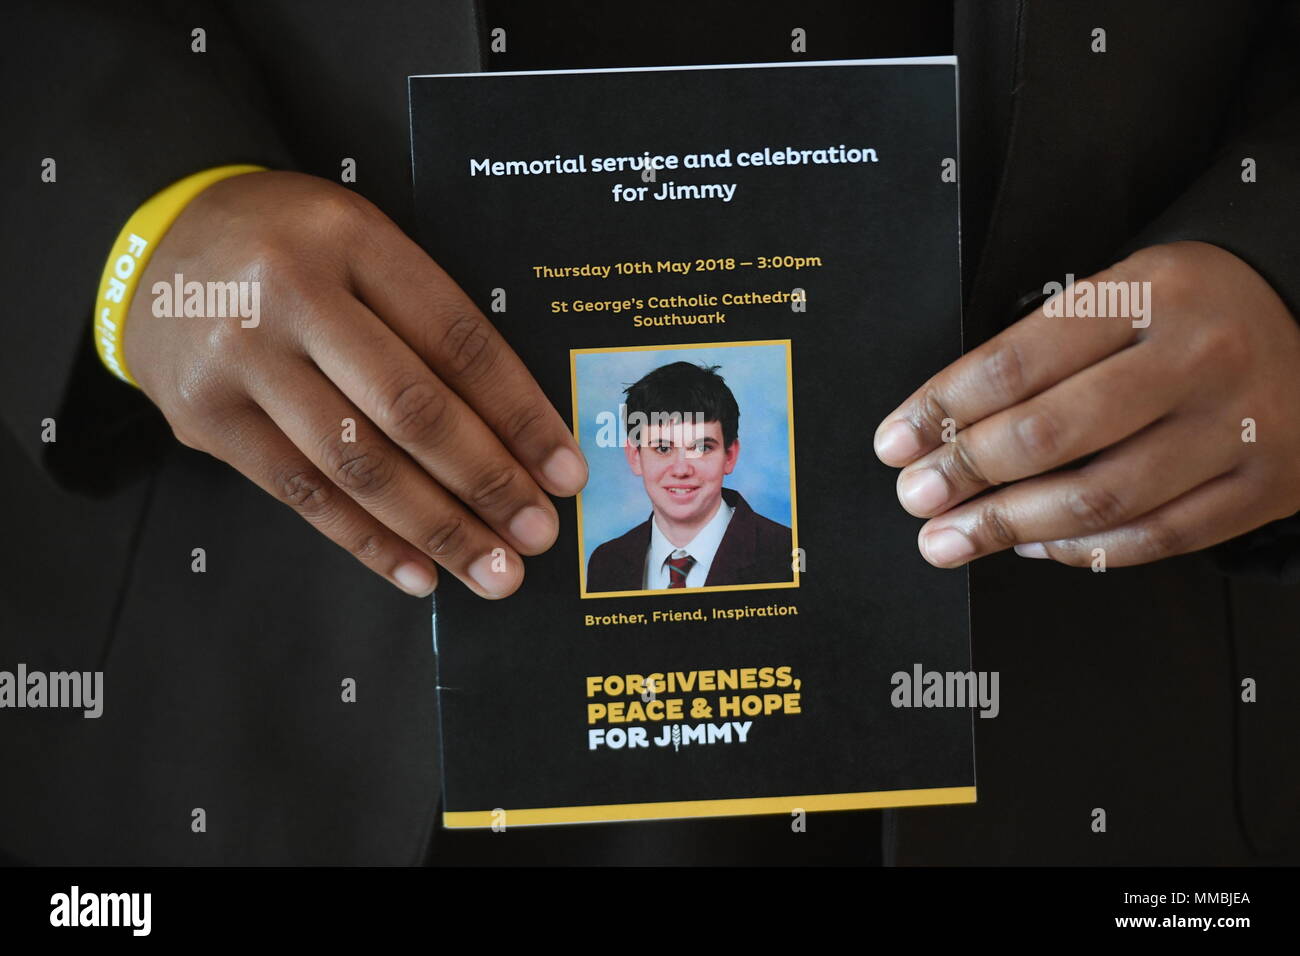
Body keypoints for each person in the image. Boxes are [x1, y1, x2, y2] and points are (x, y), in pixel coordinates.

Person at [3, 1, 1298, 867]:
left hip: (1103, 713)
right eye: (658, 437)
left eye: (698, 440)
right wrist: (132, 228)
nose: (677, 460)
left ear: (732, 455)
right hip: (270, 701)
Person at [585, 362, 794, 593]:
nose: (681, 469)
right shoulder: (606, 563)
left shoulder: (787, 555)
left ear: (730, 456)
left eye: (702, 448)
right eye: (663, 449)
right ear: (635, 457)